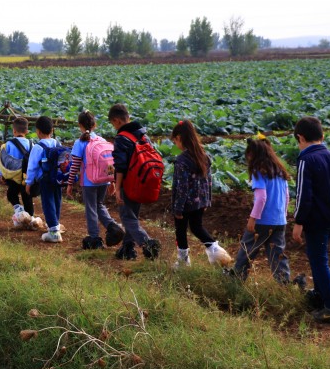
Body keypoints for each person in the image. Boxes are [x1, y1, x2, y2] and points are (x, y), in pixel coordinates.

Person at [291, 116, 330, 324]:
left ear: (301, 137)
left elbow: (303, 195)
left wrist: (298, 222)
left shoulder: (306, 160)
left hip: (316, 219)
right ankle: (320, 295)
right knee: (317, 256)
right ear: (322, 136)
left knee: (319, 259)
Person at [230, 134, 292, 283]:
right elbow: (287, 196)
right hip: (279, 221)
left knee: (247, 250)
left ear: (253, 155)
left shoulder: (259, 171)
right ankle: (285, 283)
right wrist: (282, 215)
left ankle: (236, 279)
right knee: (278, 255)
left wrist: (253, 218)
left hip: (262, 220)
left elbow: (261, 197)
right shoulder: (280, 172)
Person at [169, 119, 229, 268]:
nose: (175, 144)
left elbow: (181, 187)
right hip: (200, 202)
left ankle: (183, 262)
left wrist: (178, 208)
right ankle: (217, 251)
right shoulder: (204, 156)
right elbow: (209, 182)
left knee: (181, 230)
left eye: (175, 140)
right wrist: (207, 200)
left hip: (185, 204)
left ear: (180, 138)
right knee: (197, 227)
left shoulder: (181, 161)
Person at [108, 104, 161, 260]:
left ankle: (148, 244)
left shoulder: (121, 138)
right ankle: (127, 248)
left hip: (129, 183)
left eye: (112, 123)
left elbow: (121, 166)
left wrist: (117, 188)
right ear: (128, 117)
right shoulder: (143, 135)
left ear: (116, 121)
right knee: (132, 216)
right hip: (143, 181)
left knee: (127, 217)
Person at [66, 110, 123, 250]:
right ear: (94, 125)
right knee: (99, 204)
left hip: (89, 181)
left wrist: (70, 183)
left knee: (91, 208)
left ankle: (94, 238)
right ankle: (113, 227)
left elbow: (75, 165)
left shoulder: (80, 142)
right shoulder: (102, 140)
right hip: (103, 180)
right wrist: (111, 181)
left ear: (80, 125)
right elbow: (110, 163)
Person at [25, 116, 64, 242]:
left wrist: (29, 182)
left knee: (48, 202)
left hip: (45, 179)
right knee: (57, 200)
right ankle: (55, 224)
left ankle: (53, 232)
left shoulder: (38, 147)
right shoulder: (57, 143)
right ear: (52, 130)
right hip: (58, 178)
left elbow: (32, 167)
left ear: (38, 131)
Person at [0, 116, 35, 223]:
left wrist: (1, 174)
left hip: (12, 177)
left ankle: (19, 210)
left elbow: (3, 161)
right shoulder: (31, 144)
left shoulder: (8, 145)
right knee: (27, 197)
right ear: (27, 131)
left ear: (14, 131)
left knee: (11, 194)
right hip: (26, 177)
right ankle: (30, 219)